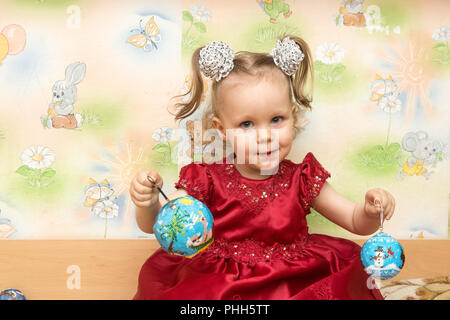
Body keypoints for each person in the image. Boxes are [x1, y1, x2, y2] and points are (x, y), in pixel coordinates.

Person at [130, 35, 395, 300]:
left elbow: (353, 220)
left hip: (293, 283)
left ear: (292, 116)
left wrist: (371, 212)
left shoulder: (302, 178)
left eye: (276, 119)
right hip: (223, 285)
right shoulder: (208, 180)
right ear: (222, 130)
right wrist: (148, 202)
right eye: (247, 124)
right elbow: (159, 223)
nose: (265, 135)